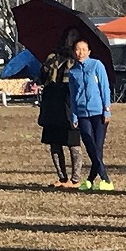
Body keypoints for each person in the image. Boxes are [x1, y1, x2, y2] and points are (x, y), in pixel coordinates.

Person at [37, 31, 83, 188]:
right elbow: (41, 78)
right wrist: (45, 69)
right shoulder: (52, 57)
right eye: (68, 36)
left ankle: (75, 179)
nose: (69, 39)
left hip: (69, 104)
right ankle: (62, 178)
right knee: (54, 143)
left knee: (73, 144)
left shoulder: (78, 60)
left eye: (73, 36)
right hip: (51, 103)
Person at [68, 39, 113, 191]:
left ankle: (93, 180)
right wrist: (74, 115)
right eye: (77, 49)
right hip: (82, 114)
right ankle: (104, 178)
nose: (80, 52)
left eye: (83, 49)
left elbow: (105, 88)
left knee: (97, 148)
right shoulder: (73, 71)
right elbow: (73, 95)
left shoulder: (96, 65)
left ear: (89, 51)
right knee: (89, 144)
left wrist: (107, 109)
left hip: (99, 112)